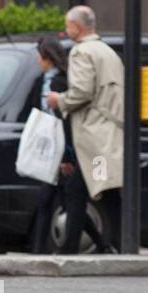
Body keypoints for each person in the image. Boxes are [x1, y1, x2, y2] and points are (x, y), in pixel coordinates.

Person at [47, 5, 124, 253]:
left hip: (93, 137)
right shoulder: (108, 52)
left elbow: (81, 92)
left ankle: (69, 248)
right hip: (108, 134)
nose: (66, 29)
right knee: (106, 191)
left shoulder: (81, 52)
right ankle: (118, 245)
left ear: (77, 28)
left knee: (76, 190)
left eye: (68, 25)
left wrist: (59, 100)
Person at [28, 37, 101, 255]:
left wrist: (67, 158)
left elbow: (67, 123)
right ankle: (102, 243)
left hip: (61, 151)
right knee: (63, 202)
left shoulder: (60, 83)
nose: (37, 60)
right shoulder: (40, 82)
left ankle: (38, 251)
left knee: (50, 200)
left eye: (39, 56)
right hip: (48, 150)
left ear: (47, 58)